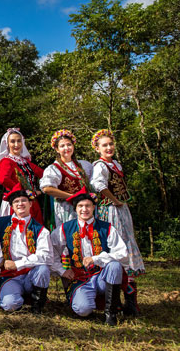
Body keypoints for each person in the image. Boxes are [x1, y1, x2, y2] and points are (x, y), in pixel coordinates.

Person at [51, 187, 128, 325]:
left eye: (88, 206)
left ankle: (111, 313)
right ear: (75, 209)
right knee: (83, 310)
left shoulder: (107, 227)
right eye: (80, 206)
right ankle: (86, 301)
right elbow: (51, 251)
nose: (84, 209)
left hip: (102, 276)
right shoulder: (65, 228)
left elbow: (122, 253)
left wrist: (96, 258)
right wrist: (62, 270)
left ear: (94, 207)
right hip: (80, 278)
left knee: (115, 265)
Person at [90, 129, 145, 316]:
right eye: (104, 145)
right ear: (97, 149)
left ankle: (130, 301)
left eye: (110, 144)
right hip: (109, 211)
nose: (108, 148)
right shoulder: (100, 166)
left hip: (122, 210)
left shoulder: (116, 164)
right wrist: (113, 200)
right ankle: (113, 301)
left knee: (128, 245)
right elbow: (98, 185)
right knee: (116, 247)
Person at [0, 183, 53, 314]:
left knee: (43, 269)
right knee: (10, 306)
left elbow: (46, 256)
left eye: (24, 201)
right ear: (11, 206)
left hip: (31, 274)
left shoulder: (41, 230)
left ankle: (37, 305)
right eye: (16, 201)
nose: (20, 204)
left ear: (30, 204)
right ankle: (16, 295)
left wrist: (17, 264)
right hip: (10, 275)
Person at [40, 130, 92, 228]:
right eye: (62, 146)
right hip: (66, 209)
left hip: (85, 209)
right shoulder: (54, 168)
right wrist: (72, 196)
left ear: (73, 146)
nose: (66, 148)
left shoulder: (84, 165)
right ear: (57, 149)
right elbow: (47, 188)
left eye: (69, 145)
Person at [0, 128, 44, 224]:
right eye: (12, 141)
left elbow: (43, 173)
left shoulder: (25, 161)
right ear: (7, 144)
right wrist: (22, 191)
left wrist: (43, 188)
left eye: (19, 141)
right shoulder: (7, 161)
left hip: (30, 201)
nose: (16, 144)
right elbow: (4, 179)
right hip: (15, 202)